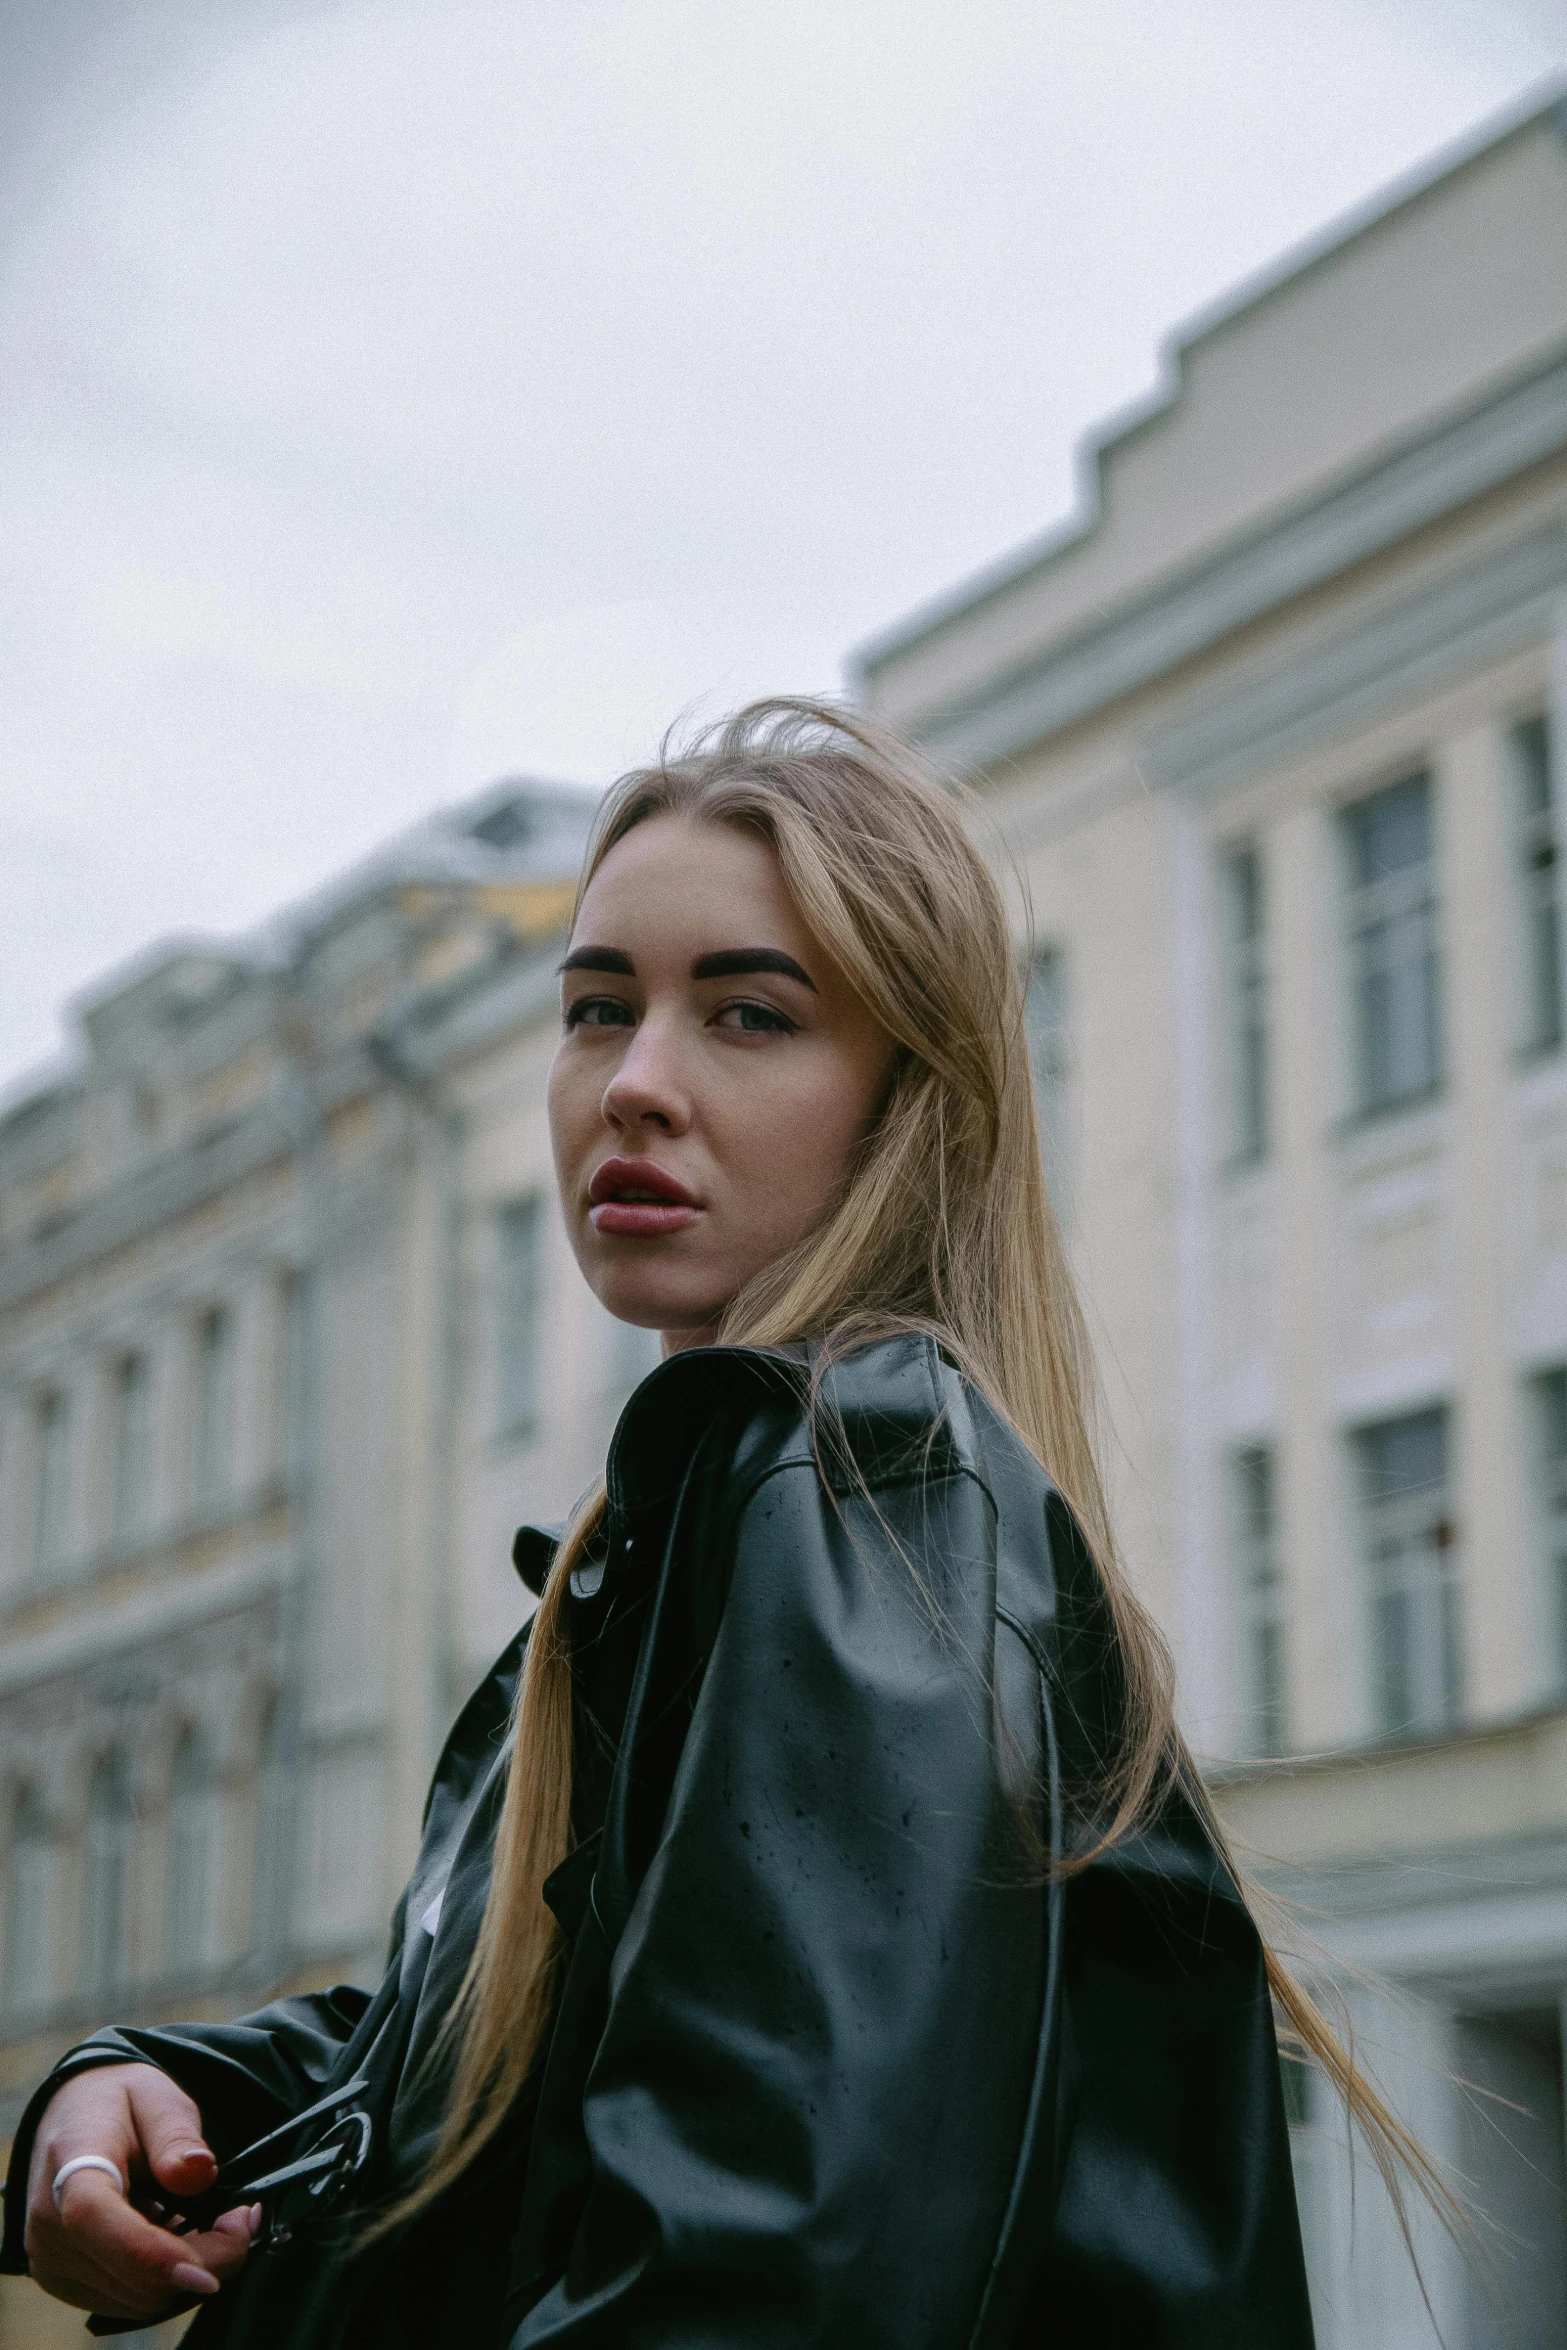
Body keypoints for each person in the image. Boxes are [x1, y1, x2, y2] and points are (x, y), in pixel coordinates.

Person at [4, 701, 1422, 2345]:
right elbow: (502, 2050)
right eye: (597, 1009)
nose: (637, 1085)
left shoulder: (854, 1489)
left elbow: (755, 2292)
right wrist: (154, 2082)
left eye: (749, 1014)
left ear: (914, 1094)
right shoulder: (707, 1519)